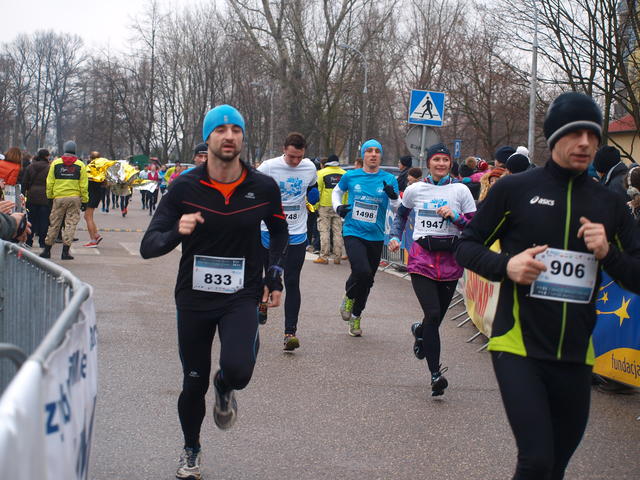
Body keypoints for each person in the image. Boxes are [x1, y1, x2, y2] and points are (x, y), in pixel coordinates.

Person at [455, 91, 640, 479]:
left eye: (593, 135)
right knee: (536, 459)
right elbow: (466, 245)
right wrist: (507, 266)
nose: (585, 143)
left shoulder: (609, 204)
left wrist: (608, 254)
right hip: (518, 345)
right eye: (575, 134)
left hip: (576, 355)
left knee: (554, 467)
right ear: (555, 136)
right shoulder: (515, 190)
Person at [140, 105, 288, 480]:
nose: (229, 136)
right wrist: (177, 231)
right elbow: (149, 246)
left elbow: (279, 232)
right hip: (194, 297)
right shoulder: (184, 187)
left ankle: (224, 387)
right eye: (220, 130)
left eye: (236, 129)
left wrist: (274, 273)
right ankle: (191, 449)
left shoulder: (263, 187)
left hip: (241, 294)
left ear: (242, 137)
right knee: (193, 381)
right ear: (207, 138)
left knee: (238, 370)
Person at [389, 143, 476, 396]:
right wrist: (394, 236)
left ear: (450, 163)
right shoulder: (415, 189)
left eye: (445, 160)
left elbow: (474, 225)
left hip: (450, 262)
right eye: (436, 159)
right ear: (428, 163)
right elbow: (401, 216)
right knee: (434, 313)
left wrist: (456, 217)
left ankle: (420, 331)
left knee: (433, 321)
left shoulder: (460, 190)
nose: (441, 164)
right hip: (421, 260)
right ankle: (435, 374)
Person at [257, 132, 318, 351]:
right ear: (284, 150)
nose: (295, 161)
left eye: (299, 157)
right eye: (291, 156)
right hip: (270, 231)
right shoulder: (268, 167)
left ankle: (290, 333)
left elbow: (312, 186)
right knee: (270, 275)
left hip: (297, 232)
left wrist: (313, 194)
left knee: (292, 280)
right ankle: (262, 302)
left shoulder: (309, 167)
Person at [332, 139, 399, 336]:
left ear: (380, 155)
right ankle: (349, 296)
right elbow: (337, 192)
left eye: (377, 151)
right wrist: (338, 207)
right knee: (361, 271)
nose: (373, 154)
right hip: (353, 231)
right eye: (369, 151)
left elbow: (398, 208)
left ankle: (356, 315)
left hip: (376, 235)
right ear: (363, 155)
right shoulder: (351, 176)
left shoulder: (389, 179)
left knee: (368, 279)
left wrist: (393, 196)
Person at [40, 141, 88, 260]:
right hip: (74, 198)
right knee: (70, 224)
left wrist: (50, 197)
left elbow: (50, 182)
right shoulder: (80, 165)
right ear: (75, 150)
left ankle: (47, 250)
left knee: (54, 223)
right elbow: (83, 185)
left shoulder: (56, 163)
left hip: (59, 198)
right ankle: (65, 252)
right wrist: (85, 200)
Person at [314, 154, 346, 265]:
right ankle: (338, 257)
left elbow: (318, 191)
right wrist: (344, 205)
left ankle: (324, 256)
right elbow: (347, 192)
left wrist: (315, 206)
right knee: (338, 231)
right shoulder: (344, 174)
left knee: (324, 231)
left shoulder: (321, 173)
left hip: (325, 205)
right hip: (339, 206)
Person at [21, 148, 51, 248]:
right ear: (46, 156)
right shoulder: (49, 168)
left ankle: (29, 241)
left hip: (31, 196)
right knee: (44, 220)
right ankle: (42, 242)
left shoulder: (30, 167)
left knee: (31, 219)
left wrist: (23, 194)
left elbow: (24, 182)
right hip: (45, 197)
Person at [83, 151, 104, 248]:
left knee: (88, 217)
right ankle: (96, 235)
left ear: (90, 158)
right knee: (88, 216)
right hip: (97, 194)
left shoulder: (90, 168)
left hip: (91, 194)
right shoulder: (101, 168)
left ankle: (93, 240)